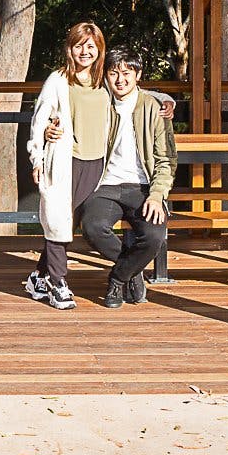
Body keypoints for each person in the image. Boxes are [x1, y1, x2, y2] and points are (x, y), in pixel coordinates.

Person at [77, 47, 174, 308]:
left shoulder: (154, 108)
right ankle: (134, 270)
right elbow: (70, 103)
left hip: (142, 187)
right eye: (113, 73)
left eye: (127, 73)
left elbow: (166, 159)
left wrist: (156, 196)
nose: (120, 79)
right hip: (106, 185)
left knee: (154, 236)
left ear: (138, 74)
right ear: (106, 76)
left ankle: (119, 278)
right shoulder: (99, 102)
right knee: (92, 226)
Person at [23, 22, 111, 309]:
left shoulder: (105, 81)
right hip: (65, 161)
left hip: (97, 163)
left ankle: (39, 275)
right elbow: (39, 121)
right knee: (59, 220)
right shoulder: (58, 80)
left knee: (66, 223)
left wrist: (167, 101)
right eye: (78, 45)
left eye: (90, 46)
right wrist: (37, 156)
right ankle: (58, 282)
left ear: (99, 49)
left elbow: (137, 96)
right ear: (69, 49)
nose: (84, 51)